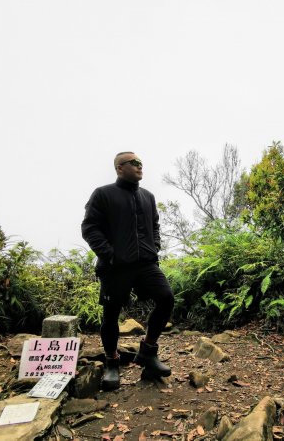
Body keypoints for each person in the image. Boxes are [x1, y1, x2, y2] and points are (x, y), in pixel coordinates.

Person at [81, 151, 174, 390]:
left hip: (146, 264)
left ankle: (148, 353)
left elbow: (154, 225)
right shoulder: (103, 194)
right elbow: (90, 227)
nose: (140, 166)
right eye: (134, 163)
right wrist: (110, 255)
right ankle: (112, 362)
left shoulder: (147, 196)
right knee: (111, 315)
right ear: (120, 168)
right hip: (115, 268)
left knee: (166, 299)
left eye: (141, 162)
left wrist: (155, 247)